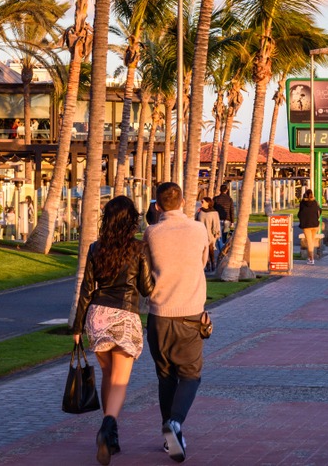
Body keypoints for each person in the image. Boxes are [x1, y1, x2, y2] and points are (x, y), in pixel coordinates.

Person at [73, 196, 154, 465]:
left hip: (97, 317)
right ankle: (107, 428)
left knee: (108, 375)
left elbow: (86, 289)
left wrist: (76, 327)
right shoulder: (138, 249)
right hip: (125, 316)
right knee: (120, 381)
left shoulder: (96, 248)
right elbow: (146, 289)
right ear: (131, 220)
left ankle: (112, 437)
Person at [144, 182, 208, 463]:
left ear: (157, 206)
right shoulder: (198, 230)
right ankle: (176, 423)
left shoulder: (151, 232)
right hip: (190, 313)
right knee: (191, 374)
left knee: (165, 376)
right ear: (183, 202)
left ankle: (168, 437)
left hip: (159, 314)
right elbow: (203, 262)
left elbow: (145, 271)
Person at [297, 188, 323, 265]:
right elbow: (320, 211)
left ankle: (311, 258)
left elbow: (300, 213)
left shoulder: (302, 203)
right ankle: (310, 257)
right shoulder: (315, 202)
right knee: (311, 241)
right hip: (315, 224)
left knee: (309, 242)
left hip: (306, 225)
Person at [196, 197, 221, 271]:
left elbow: (216, 224)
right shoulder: (199, 211)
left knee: (210, 249)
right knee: (203, 250)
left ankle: (213, 263)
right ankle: (207, 264)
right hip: (201, 234)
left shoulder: (214, 212)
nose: (201, 203)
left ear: (208, 203)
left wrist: (216, 233)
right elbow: (196, 220)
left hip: (210, 234)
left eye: (202, 201)